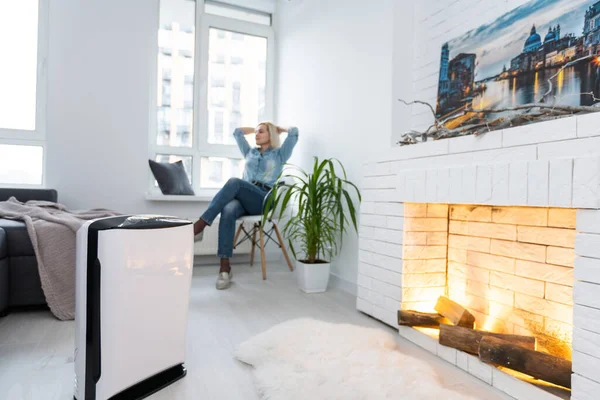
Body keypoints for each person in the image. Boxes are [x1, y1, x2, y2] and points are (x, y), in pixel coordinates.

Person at [193, 122, 299, 290]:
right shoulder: (249, 152)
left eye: (261, 132)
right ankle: (224, 268)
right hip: (245, 198)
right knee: (228, 209)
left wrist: (278, 129)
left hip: (263, 199)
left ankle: (200, 225)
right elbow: (237, 132)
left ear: (270, 135)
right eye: (256, 132)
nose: (256, 135)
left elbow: (294, 133)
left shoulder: (280, 155)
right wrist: (256, 128)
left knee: (234, 182)